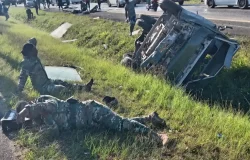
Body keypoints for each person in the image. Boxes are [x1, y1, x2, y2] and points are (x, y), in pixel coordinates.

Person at [16, 95, 168, 146]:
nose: (31, 116)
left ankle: (158, 136)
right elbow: (54, 131)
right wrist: (32, 129)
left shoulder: (46, 102)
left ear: (32, 104)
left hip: (93, 111)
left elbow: (49, 106)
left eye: (30, 109)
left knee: (122, 125)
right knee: (120, 124)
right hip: (91, 123)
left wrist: (27, 110)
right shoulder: (45, 119)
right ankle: (150, 118)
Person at [17, 42, 94, 97]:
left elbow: (32, 40)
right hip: (43, 88)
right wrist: (19, 91)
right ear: (30, 52)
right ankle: (72, 96)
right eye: (34, 49)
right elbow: (22, 78)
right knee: (61, 88)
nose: (36, 50)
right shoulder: (26, 64)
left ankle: (85, 88)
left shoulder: (34, 57)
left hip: (48, 81)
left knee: (64, 83)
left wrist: (31, 41)